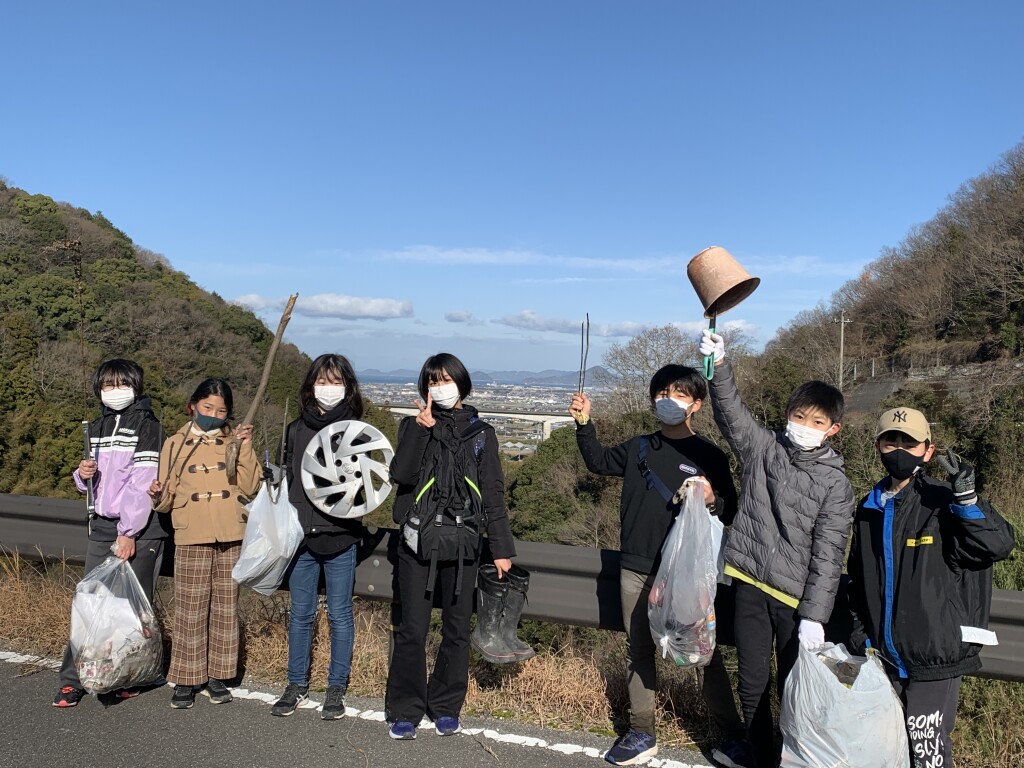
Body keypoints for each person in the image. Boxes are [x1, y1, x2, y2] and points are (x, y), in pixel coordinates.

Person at [569, 364, 745, 766]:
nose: (669, 400)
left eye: (680, 394)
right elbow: (597, 461)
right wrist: (584, 423)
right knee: (639, 650)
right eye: (662, 393)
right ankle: (641, 731)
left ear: (697, 404)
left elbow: (732, 508)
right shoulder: (638, 448)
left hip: (686, 571)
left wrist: (711, 496)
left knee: (702, 653)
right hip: (635, 563)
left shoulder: (710, 456)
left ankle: (732, 737)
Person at [698, 330, 855, 768]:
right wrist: (719, 366)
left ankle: (793, 758)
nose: (805, 427)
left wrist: (815, 617)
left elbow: (829, 553)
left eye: (817, 422)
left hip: (794, 601)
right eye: (799, 416)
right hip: (749, 584)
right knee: (751, 683)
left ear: (833, 430)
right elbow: (731, 415)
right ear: (788, 414)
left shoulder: (836, 485)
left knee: (793, 687)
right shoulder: (765, 448)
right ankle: (758, 755)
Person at [847, 407, 1015, 768]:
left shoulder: (944, 501)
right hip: (884, 657)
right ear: (877, 445)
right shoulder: (868, 508)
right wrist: (862, 636)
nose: (899, 449)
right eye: (891, 440)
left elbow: (998, 545)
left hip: (934, 655)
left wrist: (967, 501)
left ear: (927, 449)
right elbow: (858, 579)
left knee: (927, 754)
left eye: (909, 442)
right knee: (887, 750)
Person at [384, 353, 517, 740]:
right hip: (417, 543)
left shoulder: (481, 434)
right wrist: (421, 431)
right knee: (412, 628)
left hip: (464, 545)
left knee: (457, 629)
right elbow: (401, 475)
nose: (438, 388)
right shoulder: (413, 425)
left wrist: (502, 549)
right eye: (431, 381)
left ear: (462, 383)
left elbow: (493, 492)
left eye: (445, 380)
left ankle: (445, 706)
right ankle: (405, 708)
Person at [53, 359, 171, 708]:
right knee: (89, 605)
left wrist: (129, 532)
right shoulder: (98, 426)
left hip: (140, 530)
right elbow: (93, 485)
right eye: (107, 385)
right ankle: (73, 679)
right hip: (102, 525)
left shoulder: (149, 427)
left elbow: (142, 482)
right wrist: (82, 473)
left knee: (128, 612)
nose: (114, 391)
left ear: (136, 386)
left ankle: (124, 676)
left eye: (121, 384)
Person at [148, 378, 262, 710]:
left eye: (221, 410)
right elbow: (166, 498)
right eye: (207, 407)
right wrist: (157, 495)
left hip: (231, 532)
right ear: (193, 405)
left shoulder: (234, 440)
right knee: (190, 608)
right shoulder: (175, 443)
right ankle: (186, 678)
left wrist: (246, 446)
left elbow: (251, 485)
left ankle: (218, 676)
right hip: (191, 531)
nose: (213, 414)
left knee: (226, 607)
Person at [270, 354, 367, 720]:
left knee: (340, 615)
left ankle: (336, 688)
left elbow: (367, 487)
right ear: (310, 385)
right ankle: (295, 684)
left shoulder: (358, 430)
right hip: (300, 536)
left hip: (341, 535)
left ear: (348, 386)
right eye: (322, 381)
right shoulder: (295, 429)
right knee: (301, 615)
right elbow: (282, 479)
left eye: (336, 381)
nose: (328, 388)